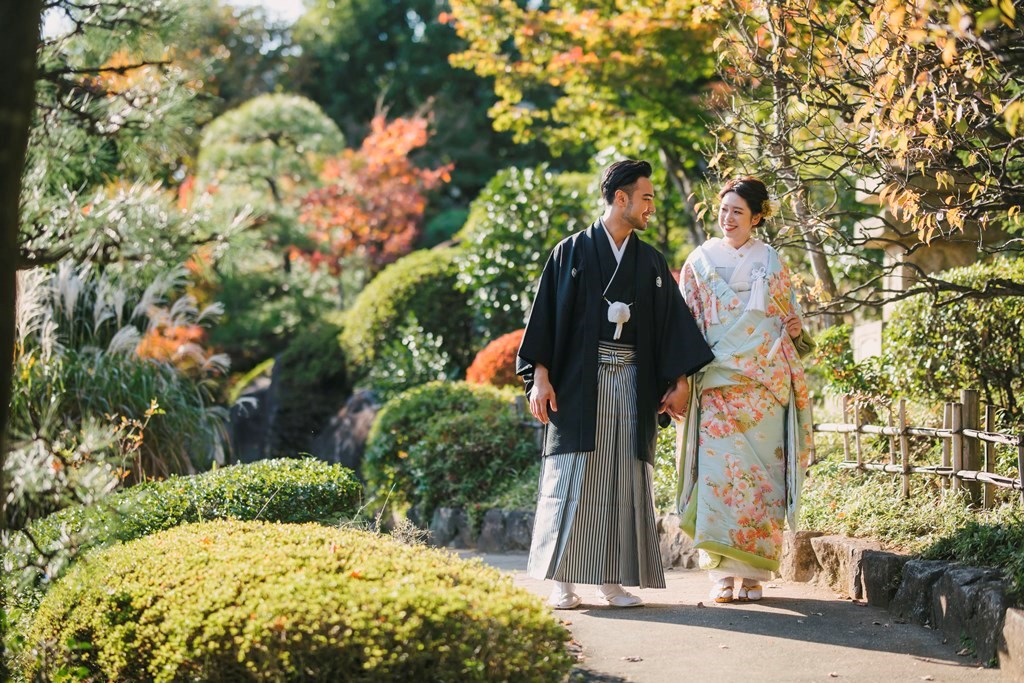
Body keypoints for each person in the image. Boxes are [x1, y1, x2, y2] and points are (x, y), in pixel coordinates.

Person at [517, 159, 714, 609]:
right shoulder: (570, 252)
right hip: (576, 386)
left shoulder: (651, 262)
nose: (651, 207)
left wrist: (680, 380)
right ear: (620, 198)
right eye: (646, 198)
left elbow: (671, 325)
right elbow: (544, 319)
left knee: (622, 479)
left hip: (631, 382)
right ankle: (562, 581)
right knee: (573, 477)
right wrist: (539, 377)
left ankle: (612, 581)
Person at [675, 176, 815, 604]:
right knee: (719, 479)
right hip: (717, 382)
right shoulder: (699, 262)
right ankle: (720, 574)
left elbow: (787, 319)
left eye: (738, 211)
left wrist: (796, 331)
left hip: (764, 387)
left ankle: (754, 575)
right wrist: (679, 376)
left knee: (760, 481)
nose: (728, 218)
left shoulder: (771, 261)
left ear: (756, 217)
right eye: (724, 210)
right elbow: (684, 324)